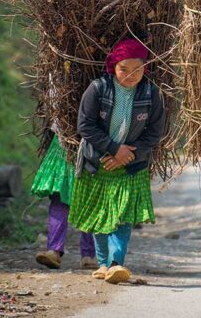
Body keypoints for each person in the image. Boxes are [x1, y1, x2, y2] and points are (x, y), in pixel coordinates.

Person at [68, 38, 165, 284]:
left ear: (146, 68)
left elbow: (154, 132)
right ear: (113, 66)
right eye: (124, 69)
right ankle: (103, 263)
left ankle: (116, 263)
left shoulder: (151, 93)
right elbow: (85, 125)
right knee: (100, 214)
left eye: (138, 69)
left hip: (131, 165)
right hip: (97, 161)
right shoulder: (98, 88)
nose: (131, 75)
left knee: (122, 215)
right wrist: (112, 150)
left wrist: (127, 155)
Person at [31, 129, 97, 270]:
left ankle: (89, 254)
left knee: (90, 200)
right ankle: (55, 251)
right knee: (60, 197)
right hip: (64, 145)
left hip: (90, 144)